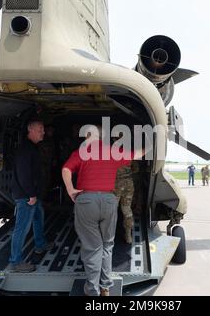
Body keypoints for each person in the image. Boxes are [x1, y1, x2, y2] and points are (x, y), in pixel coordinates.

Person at [62, 125, 144, 296]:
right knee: (107, 244)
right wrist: (153, 144)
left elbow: (66, 169)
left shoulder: (81, 151)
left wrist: (70, 190)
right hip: (109, 200)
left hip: (86, 200)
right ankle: (105, 286)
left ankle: (92, 290)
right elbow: (137, 154)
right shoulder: (112, 151)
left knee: (92, 247)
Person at [9, 120, 54, 273]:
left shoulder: (31, 147)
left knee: (38, 219)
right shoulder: (25, 149)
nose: (43, 132)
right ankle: (16, 261)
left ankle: (40, 244)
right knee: (21, 228)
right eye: (40, 129)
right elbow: (23, 174)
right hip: (26, 196)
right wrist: (31, 195)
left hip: (33, 195)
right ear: (31, 130)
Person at [114, 163, 136, 244]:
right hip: (128, 184)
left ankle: (110, 235)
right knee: (127, 209)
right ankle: (128, 235)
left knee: (112, 210)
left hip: (116, 184)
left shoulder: (110, 155)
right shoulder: (129, 155)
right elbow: (136, 169)